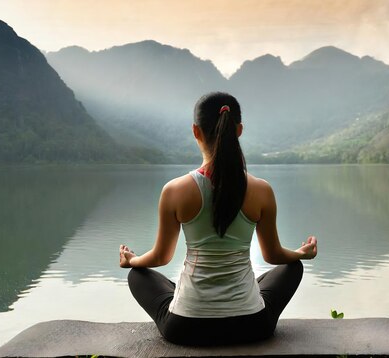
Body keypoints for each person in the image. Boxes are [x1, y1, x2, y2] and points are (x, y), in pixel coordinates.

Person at [119, 92, 317, 346]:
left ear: (196, 131)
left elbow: (160, 258)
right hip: (253, 325)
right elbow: (274, 255)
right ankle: (242, 297)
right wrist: (301, 253)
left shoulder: (175, 190)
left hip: (186, 327)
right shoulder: (261, 190)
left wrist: (131, 260)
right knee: (292, 267)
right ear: (239, 130)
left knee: (137, 274)